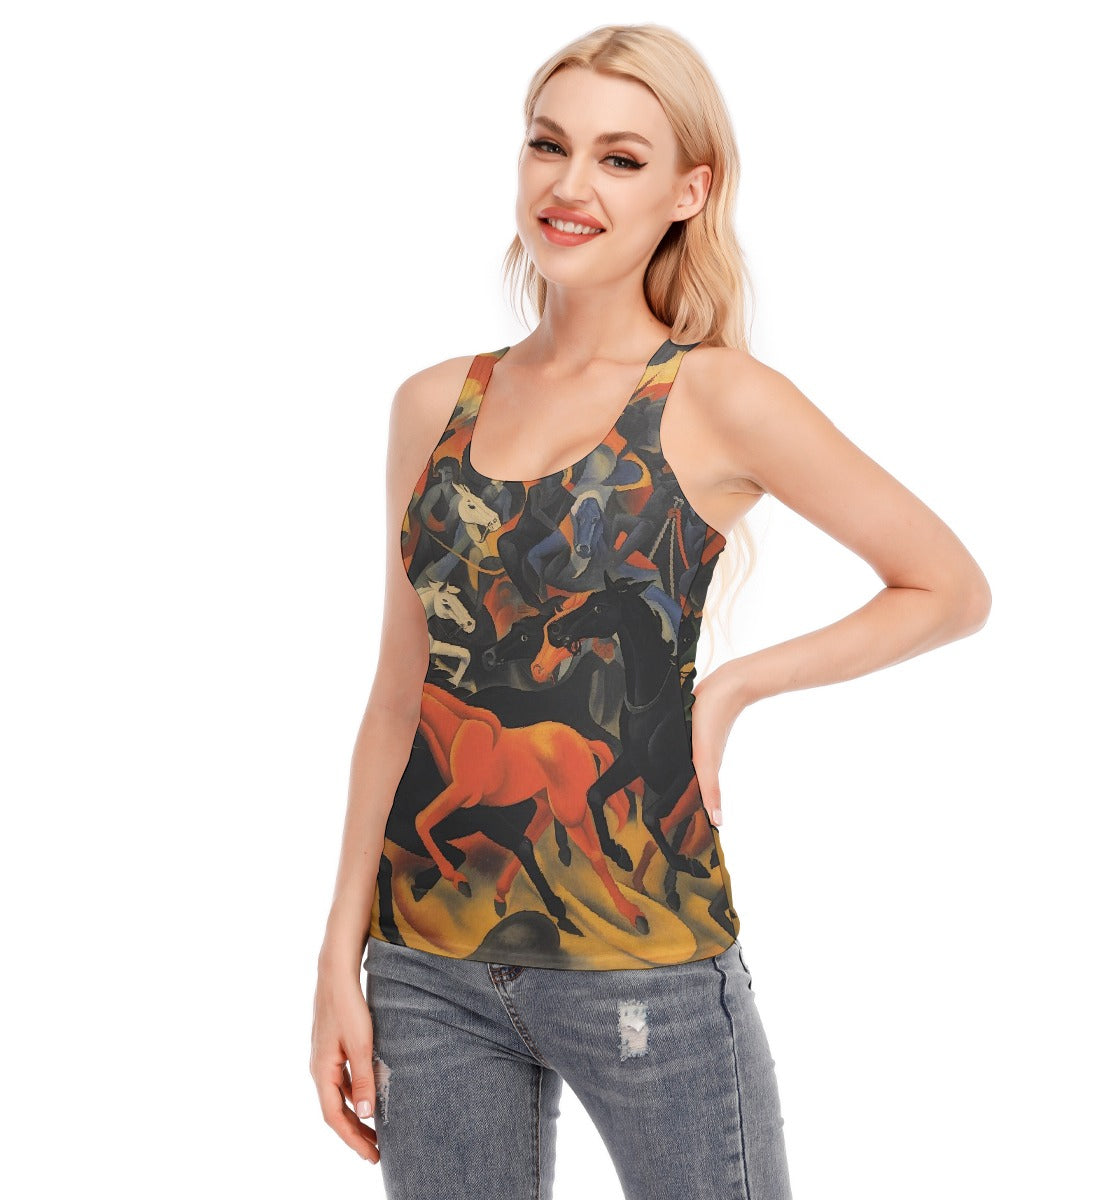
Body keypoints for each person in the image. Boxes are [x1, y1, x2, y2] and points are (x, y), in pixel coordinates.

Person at [311, 22, 991, 1200]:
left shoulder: (717, 397)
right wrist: (341, 951)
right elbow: (397, 698)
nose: (571, 186)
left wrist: (733, 686)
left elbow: (948, 586)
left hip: (647, 971)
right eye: (549, 145)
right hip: (426, 970)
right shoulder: (434, 404)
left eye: (619, 159)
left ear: (690, 191)